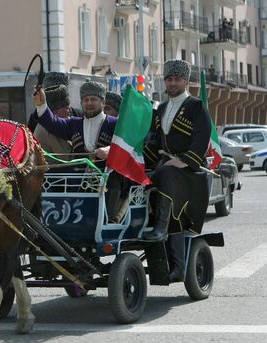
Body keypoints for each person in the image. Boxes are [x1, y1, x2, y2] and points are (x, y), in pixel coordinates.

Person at [142, 59, 211, 283]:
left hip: (191, 171)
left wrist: (184, 161)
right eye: (169, 79)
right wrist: (140, 163)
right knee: (141, 178)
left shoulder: (196, 106)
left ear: (186, 81)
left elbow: (202, 139)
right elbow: (154, 143)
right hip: (167, 168)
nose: (172, 83)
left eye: (177, 79)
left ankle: (161, 227)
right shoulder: (161, 108)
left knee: (165, 175)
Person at [32, 79, 126, 221]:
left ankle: (109, 219)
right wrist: (41, 104)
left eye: (93, 99)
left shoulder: (115, 124)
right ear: (81, 103)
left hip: (105, 178)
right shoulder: (74, 123)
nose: (89, 103)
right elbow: (52, 123)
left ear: (103, 102)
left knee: (115, 178)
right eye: (85, 100)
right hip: (76, 180)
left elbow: (127, 145)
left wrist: (109, 150)